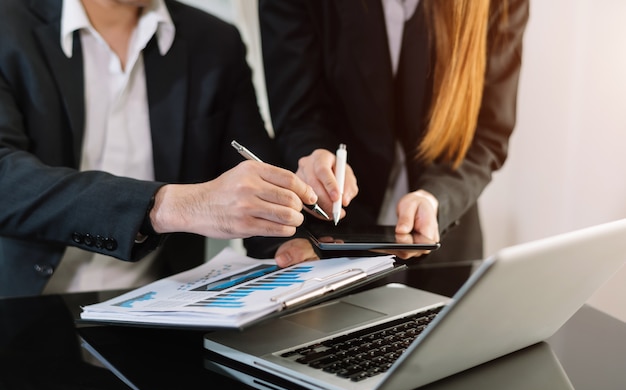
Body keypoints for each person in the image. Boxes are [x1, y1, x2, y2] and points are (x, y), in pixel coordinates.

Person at [0, 0, 321, 298]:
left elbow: (253, 178)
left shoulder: (214, 41)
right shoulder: (8, 24)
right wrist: (167, 205)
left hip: (164, 309)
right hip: (22, 308)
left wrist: (289, 243)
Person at [258, 0, 530, 263]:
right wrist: (315, 157)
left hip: (445, 246)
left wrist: (436, 197)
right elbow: (298, 113)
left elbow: (488, 135)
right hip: (329, 244)